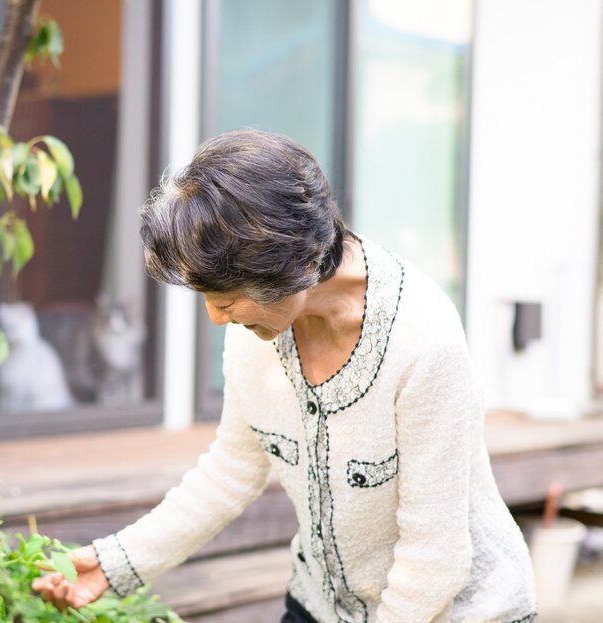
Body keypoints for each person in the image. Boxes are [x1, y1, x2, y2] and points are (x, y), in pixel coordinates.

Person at [32, 129, 537, 622]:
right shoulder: (257, 332)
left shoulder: (423, 342)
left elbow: (435, 559)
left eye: (226, 299)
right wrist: (116, 563)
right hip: (320, 603)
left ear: (296, 263)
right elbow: (230, 471)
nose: (216, 318)